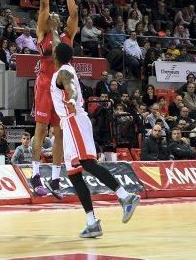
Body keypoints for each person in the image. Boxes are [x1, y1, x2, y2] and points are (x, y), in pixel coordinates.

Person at [50, 42, 140, 238]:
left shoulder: (63, 73)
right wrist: (54, 26)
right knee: (74, 174)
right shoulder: (66, 67)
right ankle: (92, 223)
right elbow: (57, 43)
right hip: (69, 124)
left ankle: (125, 197)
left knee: (87, 163)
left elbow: (71, 88)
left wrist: (72, 98)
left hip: (74, 119)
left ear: (55, 55)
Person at [31, 0, 78, 198]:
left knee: (60, 133)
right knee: (40, 130)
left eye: (57, 16)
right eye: (52, 16)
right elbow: (43, 6)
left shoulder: (68, 35)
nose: (54, 16)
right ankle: (36, 174)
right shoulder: (42, 32)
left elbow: (75, 13)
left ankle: (57, 179)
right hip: (43, 86)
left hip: (61, 89)